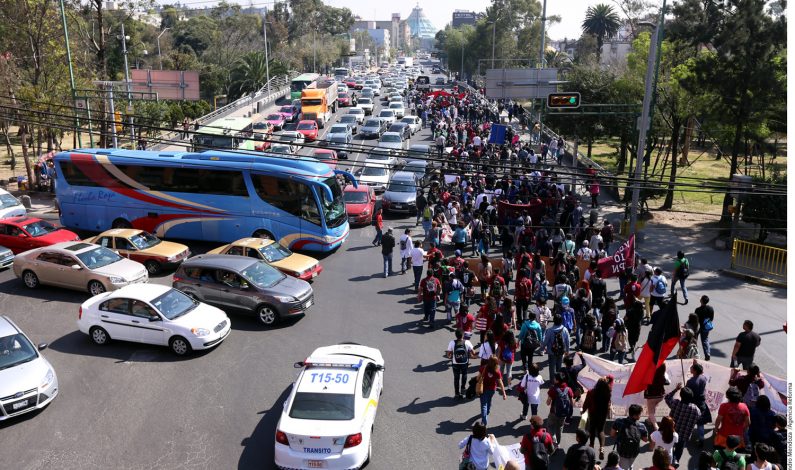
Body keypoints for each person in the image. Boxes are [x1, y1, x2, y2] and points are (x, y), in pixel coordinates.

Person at [664, 384, 701, 465]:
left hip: (671, 432)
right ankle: (676, 460)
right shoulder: (696, 410)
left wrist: (676, 389)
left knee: (669, 446)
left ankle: (667, 461)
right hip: (684, 435)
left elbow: (667, 397)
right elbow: (698, 418)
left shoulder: (675, 403)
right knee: (679, 448)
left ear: (680, 395)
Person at [582, 376, 613, 460]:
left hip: (592, 413)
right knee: (601, 430)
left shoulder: (591, 392)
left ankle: (591, 446)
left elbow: (586, 402)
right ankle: (602, 448)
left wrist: (583, 410)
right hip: (602, 414)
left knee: (592, 429)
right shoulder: (608, 393)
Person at [611, 404, 649, 470]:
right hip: (634, 451)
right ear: (635, 416)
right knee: (630, 463)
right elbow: (645, 439)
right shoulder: (641, 426)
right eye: (640, 414)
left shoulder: (619, 421)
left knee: (623, 466)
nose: (640, 415)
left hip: (621, 451)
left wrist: (620, 433)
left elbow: (612, 434)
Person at [714, 386, 751, 451]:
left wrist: (716, 429)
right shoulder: (744, 406)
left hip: (724, 436)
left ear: (728, 397)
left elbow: (718, 420)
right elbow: (748, 422)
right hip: (738, 438)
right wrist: (743, 430)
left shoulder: (724, 406)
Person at [446, 328, 477, 399]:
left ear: (456, 335)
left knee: (456, 378)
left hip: (455, 362)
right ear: (463, 335)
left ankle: (457, 394)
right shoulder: (467, 342)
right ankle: (463, 388)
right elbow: (473, 352)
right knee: (464, 374)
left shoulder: (452, 342)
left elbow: (448, 354)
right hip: (464, 362)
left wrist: (450, 356)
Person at [546, 371, 574, 448]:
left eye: (555, 378)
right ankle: (558, 443)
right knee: (560, 428)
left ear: (557, 380)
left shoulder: (553, 389)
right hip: (564, 414)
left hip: (553, 413)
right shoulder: (568, 389)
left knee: (550, 425)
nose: (554, 379)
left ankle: (553, 439)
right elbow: (571, 403)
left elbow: (548, 403)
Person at [686, 361, 711, 444]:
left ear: (695, 371)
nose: (690, 368)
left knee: (689, 421)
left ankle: (686, 436)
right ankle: (701, 438)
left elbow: (687, 393)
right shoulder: (703, 378)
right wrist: (695, 364)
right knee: (700, 423)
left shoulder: (691, 382)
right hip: (701, 403)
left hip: (693, 403)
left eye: (692, 368)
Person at [478, 356, 507, 426]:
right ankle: (487, 411)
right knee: (489, 400)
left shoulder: (483, 368)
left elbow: (478, 377)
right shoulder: (497, 372)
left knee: (483, 405)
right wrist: (504, 393)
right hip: (492, 389)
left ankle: (484, 420)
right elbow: (500, 383)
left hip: (483, 389)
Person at [543, 314, 570, 382]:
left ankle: (552, 381)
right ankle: (559, 380)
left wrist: (542, 347)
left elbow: (545, 341)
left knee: (552, 367)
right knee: (559, 366)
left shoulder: (550, 330)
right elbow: (567, 341)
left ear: (554, 321)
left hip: (552, 351)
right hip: (561, 351)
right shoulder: (564, 329)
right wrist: (567, 350)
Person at [645, 364, 668, 431]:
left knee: (651, 412)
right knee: (653, 408)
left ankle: (656, 428)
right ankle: (649, 420)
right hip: (660, 395)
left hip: (652, 396)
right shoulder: (663, 376)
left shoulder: (650, 375)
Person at [694, 295, 714, 360]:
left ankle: (694, 352)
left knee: (694, 339)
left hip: (698, 326)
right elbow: (711, 318)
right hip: (706, 326)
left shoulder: (698, 310)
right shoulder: (711, 308)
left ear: (701, 301)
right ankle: (707, 353)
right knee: (705, 340)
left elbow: (695, 320)